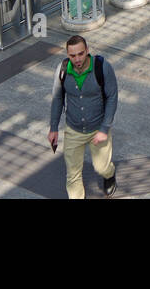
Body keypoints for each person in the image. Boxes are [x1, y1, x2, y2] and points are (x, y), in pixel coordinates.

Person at [49, 35, 118, 199]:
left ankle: (109, 175)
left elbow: (112, 97)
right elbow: (57, 98)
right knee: (72, 174)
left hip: (98, 128)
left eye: (81, 53)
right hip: (73, 130)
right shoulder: (63, 70)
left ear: (87, 51)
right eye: (72, 55)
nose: (77, 59)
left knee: (102, 167)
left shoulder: (102, 67)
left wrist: (104, 128)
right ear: (67, 54)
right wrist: (53, 128)